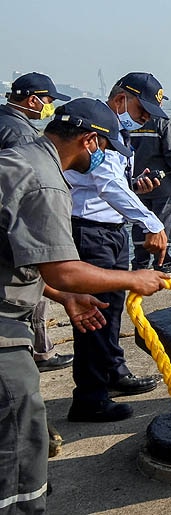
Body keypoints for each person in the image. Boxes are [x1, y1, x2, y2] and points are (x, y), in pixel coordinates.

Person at [0, 98, 169, 514]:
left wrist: (63, 298)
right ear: (90, 141)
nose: (106, 157)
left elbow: (18, 259)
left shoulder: (16, 159)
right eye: (106, 149)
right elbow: (64, 270)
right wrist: (135, 279)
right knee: (22, 433)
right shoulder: (46, 180)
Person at [63, 73, 171, 423]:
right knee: (94, 314)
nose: (146, 118)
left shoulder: (117, 131)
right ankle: (90, 398)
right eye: (143, 108)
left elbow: (110, 184)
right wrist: (151, 222)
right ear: (123, 98)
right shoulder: (102, 128)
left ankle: (112, 372)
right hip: (91, 232)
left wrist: (134, 186)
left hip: (108, 230)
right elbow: (107, 185)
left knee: (111, 311)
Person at [1, 73, 76, 374]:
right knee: (32, 290)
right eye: (48, 101)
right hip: (18, 233)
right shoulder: (21, 135)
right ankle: (38, 351)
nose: (49, 108)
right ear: (32, 100)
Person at [130, 115, 171, 276]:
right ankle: (162, 264)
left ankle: (140, 263)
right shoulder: (162, 122)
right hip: (163, 184)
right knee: (163, 223)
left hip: (136, 182)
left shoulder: (128, 120)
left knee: (139, 221)